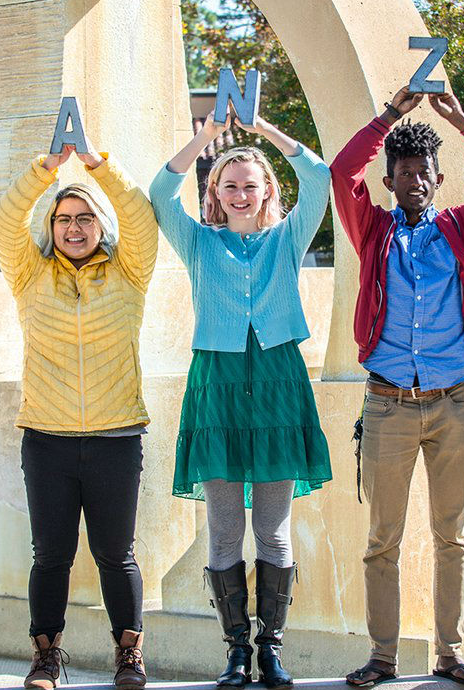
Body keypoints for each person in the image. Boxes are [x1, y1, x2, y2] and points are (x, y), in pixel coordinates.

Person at [332, 87, 464, 687]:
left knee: (452, 535)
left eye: (425, 172)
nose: (415, 180)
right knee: (382, 539)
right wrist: (390, 115)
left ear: (440, 179)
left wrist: (463, 123)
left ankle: (448, 652)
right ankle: (383, 658)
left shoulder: (461, 229)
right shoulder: (373, 231)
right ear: (390, 181)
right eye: (404, 172)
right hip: (388, 405)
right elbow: (343, 170)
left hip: (453, 406)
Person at [150, 112, 332, 690]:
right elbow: (159, 192)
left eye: (251, 184)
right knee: (224, 531)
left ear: (267, 191)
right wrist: (207, 139)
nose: (240, 194)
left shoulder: (288, 237)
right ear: (214, 193)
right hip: (219, 388)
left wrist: (265, 131)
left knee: (275, 532)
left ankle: (271, 650)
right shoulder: (199, 242)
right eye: (229, 185)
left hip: (278, 384)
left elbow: (321, 179)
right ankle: (234, 652)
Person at [0, 134, 159, 690]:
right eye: (64, 218)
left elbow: (139, 219)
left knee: (116, 555)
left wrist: (97, 169)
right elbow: (3, 223)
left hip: (116, 436)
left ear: (100, 225)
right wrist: (45, 172)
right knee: (51, 556)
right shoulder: (29, 275)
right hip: (48, 438)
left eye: (85, 217)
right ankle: (45, 657)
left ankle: (129, 655)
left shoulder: (130, 271)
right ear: (51, 225)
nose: (74, 227)